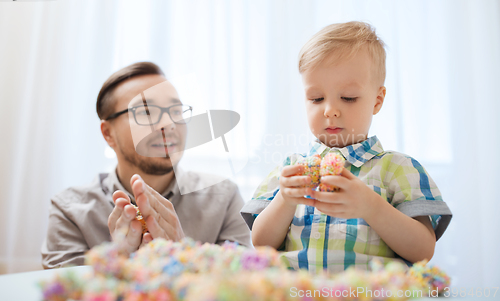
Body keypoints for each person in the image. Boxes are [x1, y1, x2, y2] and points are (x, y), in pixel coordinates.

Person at [240, 21, 452, 274]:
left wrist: (371, 206)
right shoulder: (291, 169)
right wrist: (285, 200)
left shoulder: (397, 169)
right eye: (316, 99)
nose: (329, 110)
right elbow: (261, 244)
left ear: (377, 100)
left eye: (348, 98)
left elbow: (422, 251)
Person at [42, 62, 251, 269]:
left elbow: (245, 286)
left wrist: (183, 258)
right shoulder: (70, 211)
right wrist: (117, 265)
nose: (168, 123)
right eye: (145, 112)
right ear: (108, 134)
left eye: (176, 111)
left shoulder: (224, 198)